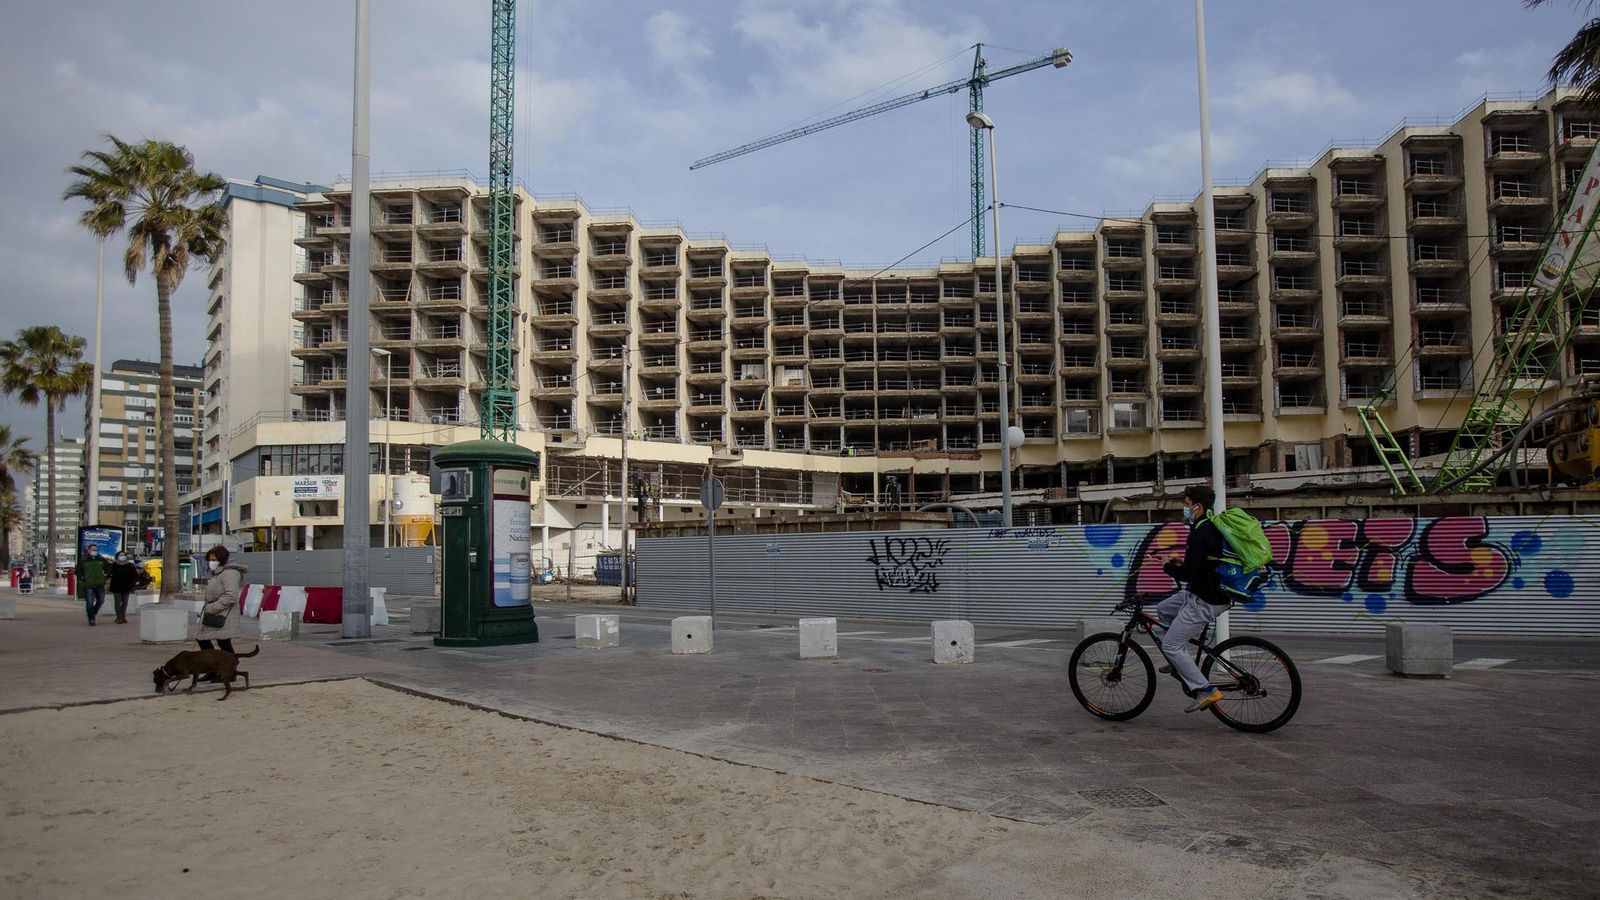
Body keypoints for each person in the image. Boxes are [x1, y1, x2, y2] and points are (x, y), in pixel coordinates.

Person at [1157, 484, 1231, 713]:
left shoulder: (1201, 533)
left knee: (1171, 645)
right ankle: (1178, 661)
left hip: (1206, 599)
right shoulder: (1206, 527)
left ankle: (1205, 690)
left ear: (1197, 506)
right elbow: (1199, 566)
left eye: (1187, 504)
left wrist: (1168, 567)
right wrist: (1181, 563)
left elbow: (1189, 574)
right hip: (1200, 591)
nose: (1185, 509)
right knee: (1164, 609)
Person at [196, 545, 247, 658]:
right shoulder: (217, 573)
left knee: (220, 642)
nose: (211, 562)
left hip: (223, 614)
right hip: (215, 613)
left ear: (222, 559)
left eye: (214, 559)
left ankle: (225, 666)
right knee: (210, 640)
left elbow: (231, 596)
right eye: (210, 560)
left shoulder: (230, 573)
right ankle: (217, 665)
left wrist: (211, 608)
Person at [75, 545, 111, 626]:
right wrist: (82, 578)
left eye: (96, 550)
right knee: (89, 602)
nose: (95, 551)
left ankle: (93, 612)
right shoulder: (83, 560)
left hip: (99, 583)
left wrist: (106, 577)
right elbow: (77, 571)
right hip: (88, 584)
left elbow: (108, 569)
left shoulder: (102, 559)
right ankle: (91, 619)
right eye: (93, 549)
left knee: (101, 600)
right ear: (88, 550)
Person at [107, 551, 144, 624]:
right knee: (117, 602)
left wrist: (134, 583)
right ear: (117, 557)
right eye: (120, 555)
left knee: (125, 602)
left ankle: (123, 616)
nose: (122, 556)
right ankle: (119, 617)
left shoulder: (130, 565)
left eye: (123, 555)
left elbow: (135, 575)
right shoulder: (114, 565)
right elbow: (109, 574)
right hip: (116, 586)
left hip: (127, 586)